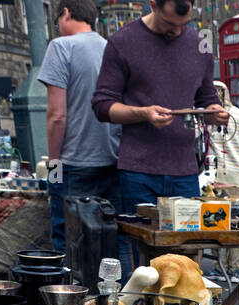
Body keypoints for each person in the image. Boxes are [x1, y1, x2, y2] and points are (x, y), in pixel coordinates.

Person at [91, 0, 229, 219]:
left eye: (184, 24)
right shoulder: (123, 42)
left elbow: (207, 99)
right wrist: (143, 113)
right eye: (169, 23)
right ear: (153, 5)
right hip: (138, 171)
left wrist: (215, 113)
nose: (177, 31)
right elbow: (101, 106)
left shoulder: (200, 43)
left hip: (185, 172)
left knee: (187, 249)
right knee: (139, 248)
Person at [38, 0, 120, 254]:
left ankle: (72, 294)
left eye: (57, 21)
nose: (58, 28)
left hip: (73, 164)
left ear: (65, 13)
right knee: (108, 241)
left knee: (68, 242)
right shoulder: (112, 48)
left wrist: (53, 165)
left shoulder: (61, 47)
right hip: (113, 161)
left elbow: (57, 114)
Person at [209, 80, 239, 275]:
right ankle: (238, 268)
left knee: (217, 221)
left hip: (216, 174)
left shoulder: (207, 118)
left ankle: (221, 267)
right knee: (238, 222)